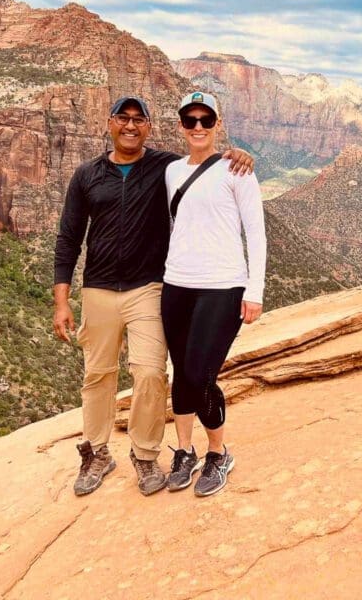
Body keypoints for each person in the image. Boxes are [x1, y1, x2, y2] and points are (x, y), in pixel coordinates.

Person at [53, 96, 252, 497]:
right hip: (97, 289)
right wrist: (61, 300)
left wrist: (239, 153)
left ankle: (145, 455)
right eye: (123, 119)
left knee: (149, 373)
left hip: (149, 288)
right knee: (98, 375)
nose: (130, 126)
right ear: (109, 123)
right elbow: (68, 238)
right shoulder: (86, 174)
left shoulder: (165, 166)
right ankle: (96, 453)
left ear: (148, 126)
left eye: (138, 120)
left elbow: (204, 158)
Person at [161, 91, 266, 497]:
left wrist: (254, 290)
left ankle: (218, 453)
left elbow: (255, 234)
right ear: (181, 126)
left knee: (202, 374)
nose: (199, 127)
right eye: (191, 120)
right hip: (177, 284)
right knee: (180, 372)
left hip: (223, 287)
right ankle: (184, 451)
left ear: (218, 124)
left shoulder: (238, 170)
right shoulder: (171, 171)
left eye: (206, 120)